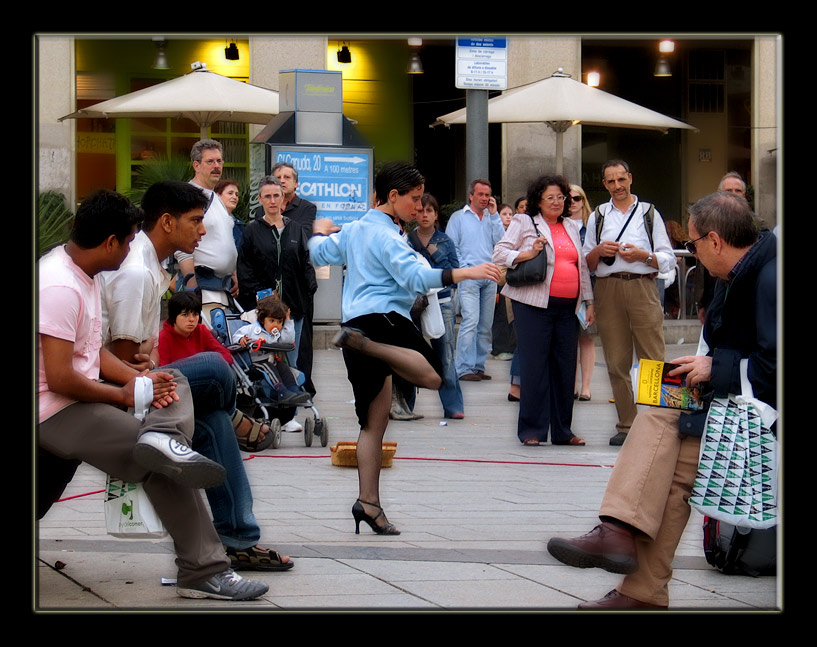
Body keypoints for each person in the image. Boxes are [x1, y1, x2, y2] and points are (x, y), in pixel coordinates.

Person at [546, 191, 776, 610]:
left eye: (691, 245)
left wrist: (715, 370)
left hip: (760, 414)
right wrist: (702, 368)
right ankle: (641, 587)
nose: (691, 253)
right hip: (740, 404)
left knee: (659, 417)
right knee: (672, 467)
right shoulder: (740, 275)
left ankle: (618, 532)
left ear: (715, 241)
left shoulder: (770, 279)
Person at [37, 189, 268, 600]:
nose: (131, 248)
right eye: (127, 241)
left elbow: (93, 353)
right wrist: (124, 395)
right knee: (165, 463)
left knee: (171, 381)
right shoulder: (58, 284)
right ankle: (204, 571)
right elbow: (58, 378)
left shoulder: (82, 272)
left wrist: (139, 381)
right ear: (110, 243)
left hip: (81, 397)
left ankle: (163, 438)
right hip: (56, 410)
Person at [100, 180, 293, 572]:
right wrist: (150, 366)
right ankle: (243, 423)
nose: (203, 232)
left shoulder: (154, 265)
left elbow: (145, 348)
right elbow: (124, 364)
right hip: (116, 387)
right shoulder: (136, 270)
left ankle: (238, 539)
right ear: (168, 223)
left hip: (143, 375)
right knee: (213, 366)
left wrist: (150, 361)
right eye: (196, 221)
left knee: (215, 419)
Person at [309, 162, 501, 535]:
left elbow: (319, 254)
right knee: (434, 376)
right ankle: (371, 348)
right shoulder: (387, 237)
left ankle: (369, 504)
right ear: (392, 196)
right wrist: (466, 272)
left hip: (355, 322)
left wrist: (318, 232)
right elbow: (415, 277)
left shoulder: (356, 229)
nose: (419, 206)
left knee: (373, 422)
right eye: (413, 199)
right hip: (384, 323)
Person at [493, 174, 595, 447]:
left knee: (565, 369)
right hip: (533, 305)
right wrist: (526, 254)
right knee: (535, 368)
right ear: (538, 200)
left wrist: (588, 301)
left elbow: (581, 266)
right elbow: (499, 253)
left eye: (561, 197)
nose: (557, 202)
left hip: (567, 308)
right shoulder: (525, 221)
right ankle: (532, 430)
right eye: (550, 197)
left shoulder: (572, 226)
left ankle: (563, 431)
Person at [583, 159, 676, 446]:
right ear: (604, 184)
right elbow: (586, 261)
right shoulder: (598, 215)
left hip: (643, 286)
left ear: (630, 178)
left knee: (653, 358)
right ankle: (627, 425)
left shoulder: (649, 213)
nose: (617, 186)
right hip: (608, 288)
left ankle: (661, 424)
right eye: (610, 181)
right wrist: (599, 250)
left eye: (621, 179)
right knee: (616, 360)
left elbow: (668, 257)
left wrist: (643, 256)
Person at [406, 193, 465, 419]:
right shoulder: (407, 240)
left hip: (441, 302)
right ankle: (407, 405)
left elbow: (454, 270)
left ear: (436, 214)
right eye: (420, 211)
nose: (424, 215)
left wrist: (434, 252)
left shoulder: (444, 241)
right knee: (411, 355)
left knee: (446, 355)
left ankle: (453, 406)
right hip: (414, 305)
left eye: (429, 211)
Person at [446, 178, 505, 381]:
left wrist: (496, 214)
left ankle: (478, 366)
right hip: (470, 276)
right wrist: (466, 270)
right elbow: (452, 247)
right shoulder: (458, 218)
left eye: (487, 195)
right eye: (480, 194)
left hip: (490, 275)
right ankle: (463, 368)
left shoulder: (491, 218)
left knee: (485, 324)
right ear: (471, 195)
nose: (484, 198)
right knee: (470, 320)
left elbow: (502, 242)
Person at [175, 140, 239, 307]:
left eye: (219, 161)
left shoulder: (216, 199)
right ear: (196, 165)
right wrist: (191, 284)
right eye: (210, 162)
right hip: (202, 289)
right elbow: (181, 242)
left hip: (222, 289)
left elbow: (223, 239)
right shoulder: (188, 196)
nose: (216, 166)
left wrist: (233, 273)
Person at [230, 295, 309, 405]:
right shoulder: (252, 329)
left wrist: (288, 320)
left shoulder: (276, 334)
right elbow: (236, 336)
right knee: (270, 368)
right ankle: (281, 391)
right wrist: (241, 340)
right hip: (255, 361)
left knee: (283, 367)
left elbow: (288, 339)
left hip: (270, 359)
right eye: (272, 321)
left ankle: (294, 389)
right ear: (263, 320)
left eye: (279, 322)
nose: (275, 325)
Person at [568, 184, 596, 401]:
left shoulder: (593, 225)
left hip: (590, 288)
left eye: (576, 198)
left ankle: (586, 387)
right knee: (567, 338)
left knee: (586, 337)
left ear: (583, 200)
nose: (572, 203)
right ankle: (571, 385)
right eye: (567, 199)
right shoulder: (558, 225)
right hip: (565, 286)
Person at [158, 290, 233, 367]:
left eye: (195, 314)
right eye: (185, 315)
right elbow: (163, 370)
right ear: (173, 317)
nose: (191, 319)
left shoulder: (201, 330)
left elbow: (226, 356)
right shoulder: (163, 338)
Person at [490, 203, 516, 362]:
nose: (508, 217)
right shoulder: (494, 232)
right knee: (500, 316)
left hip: (512, 277)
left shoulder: (515, 233)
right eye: (504, 214)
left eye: (510, 214)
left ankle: (511, 346)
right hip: (497, 277)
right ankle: (499, 348)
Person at [214, 178, 244, 253]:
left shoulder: (239, 225)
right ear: (218, 195)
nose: (234, 197)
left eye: (236, 195)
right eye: (230, 193)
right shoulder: (209, 221)